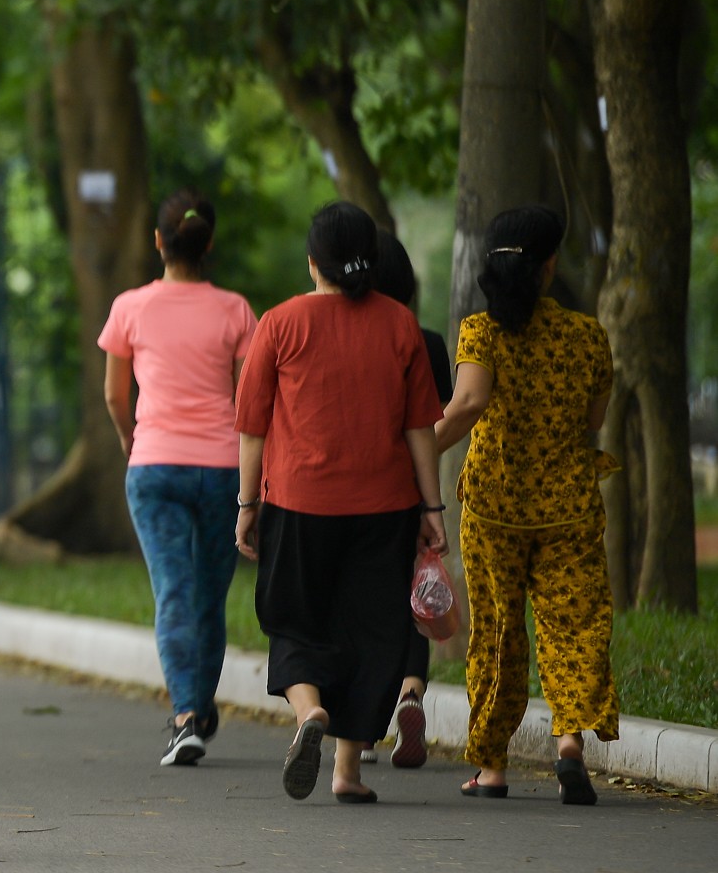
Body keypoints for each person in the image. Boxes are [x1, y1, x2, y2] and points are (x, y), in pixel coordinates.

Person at [234, 202, 446, 804]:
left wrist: (247, 504)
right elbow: (419, 430)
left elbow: (251, 427)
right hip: (384, 509)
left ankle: (308, 714)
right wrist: (432, 512)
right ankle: (348, 773)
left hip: (298, 504)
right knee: (372, 635)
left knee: (294, 618)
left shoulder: (278, 323)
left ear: (312, 263)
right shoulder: (400, 325)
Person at [435, 206, 617, 806]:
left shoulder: (479, 331)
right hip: (568, 506)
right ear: (549, 266)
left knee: (497, 633)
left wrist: (408, 448)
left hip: (494, 505)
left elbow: (466, 406)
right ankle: (569, 746)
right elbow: (594, 421)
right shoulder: (587, 335)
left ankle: (492, 768)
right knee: (573, 626)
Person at [98, 189, 257, 767]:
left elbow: (116, 394)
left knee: (173, 592)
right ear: (208, 243)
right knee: (209, 598)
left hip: (155, 466)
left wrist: (128, 437)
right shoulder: (237, 310)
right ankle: (199, 705)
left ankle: (187, 716)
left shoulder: (130, 306)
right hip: (220, 469)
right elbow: (251, 401)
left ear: (158, 242)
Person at [368, 232, 455, 769]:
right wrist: (431, 500)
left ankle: (366, 723)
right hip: (412, 493)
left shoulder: (354, 338)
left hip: (360, 492)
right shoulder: (428, 341)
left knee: (365, 604)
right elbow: (435, 420)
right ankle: (410, 694)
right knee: (415, 605)